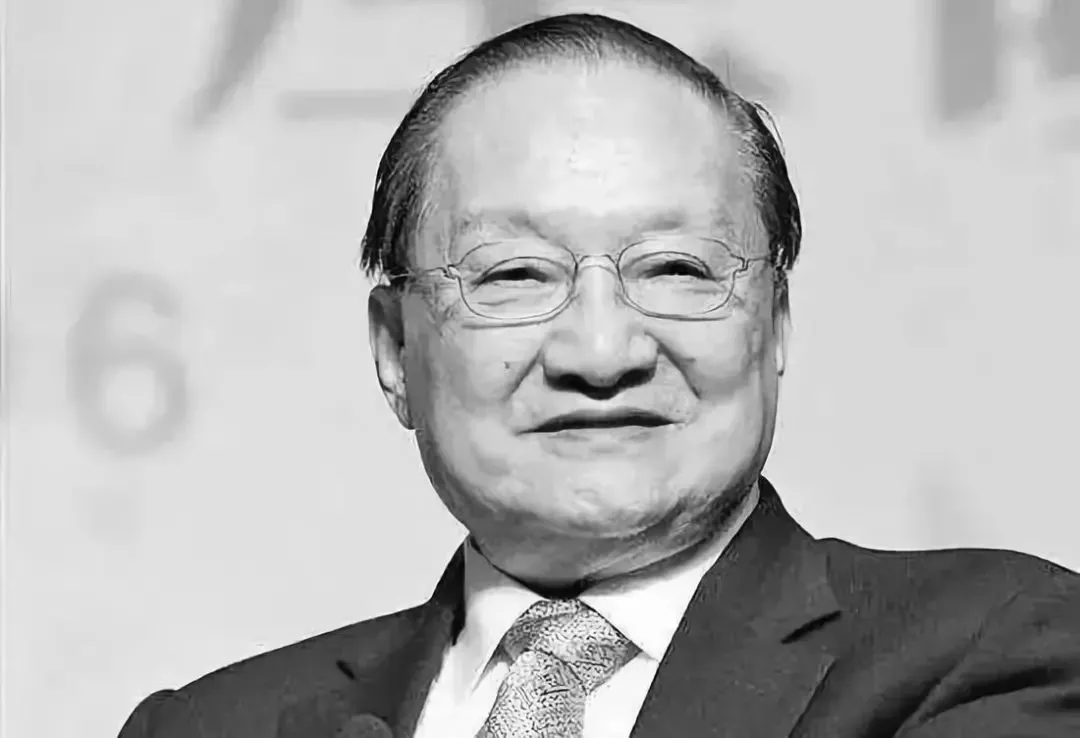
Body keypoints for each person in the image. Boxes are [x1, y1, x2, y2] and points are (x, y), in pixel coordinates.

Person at [118, 13, 1080, 738]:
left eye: (678, 269)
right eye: (512, 275)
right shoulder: (208, 725)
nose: (602, 353)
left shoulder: (997, 650)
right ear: (394, 350)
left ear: (775, 323)